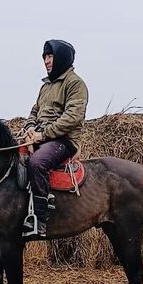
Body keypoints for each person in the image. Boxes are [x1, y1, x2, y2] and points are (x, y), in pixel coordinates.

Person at [22, 39, 89, 238]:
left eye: (50, 56)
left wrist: (43, 134)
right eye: (44, 57)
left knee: (37, 162)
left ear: (61, 58)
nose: (46, 61)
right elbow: (34, 112)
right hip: (41, 138)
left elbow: (72, 117)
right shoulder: (45, 86)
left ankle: (40, 220)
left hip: (64, 141)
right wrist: (30, 129)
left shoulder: (75, 84)